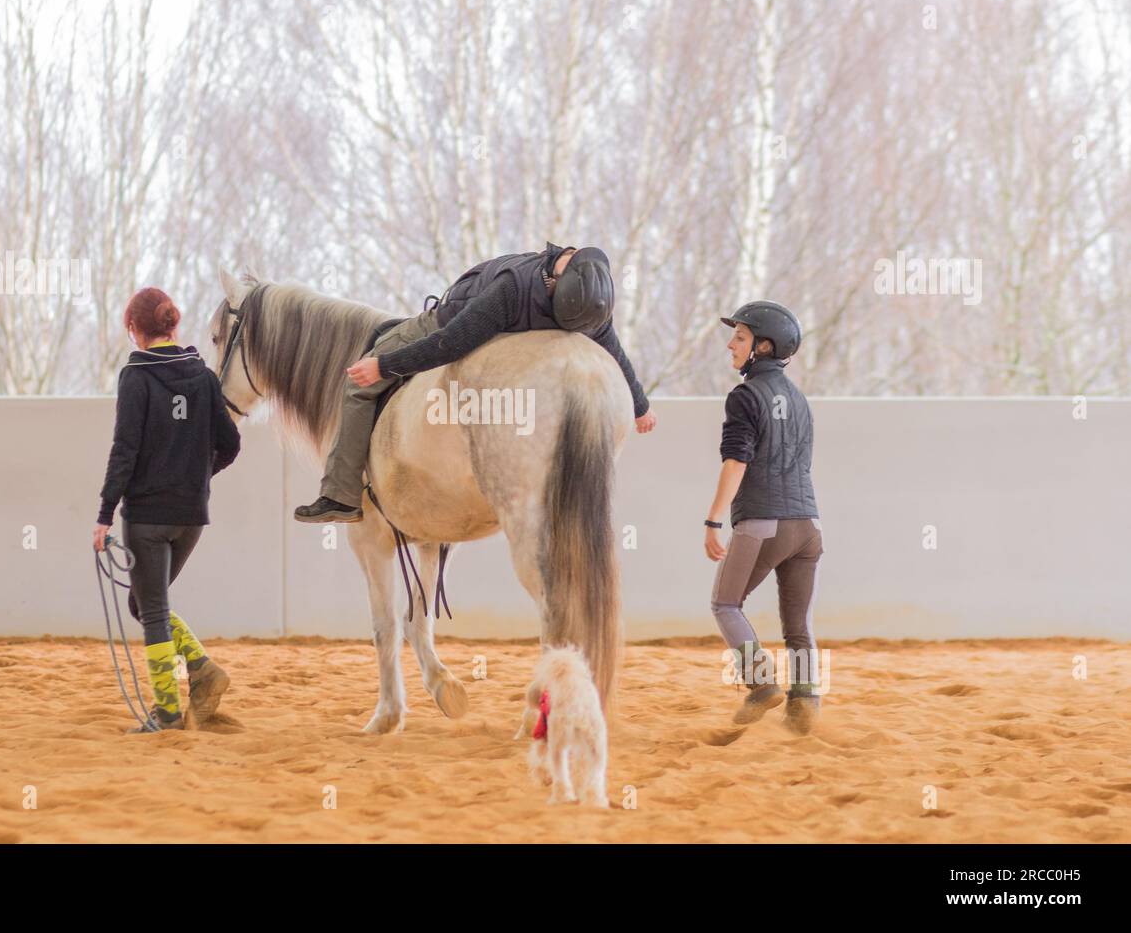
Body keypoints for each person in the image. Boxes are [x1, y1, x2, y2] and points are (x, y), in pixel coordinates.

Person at [294, 242, 657, 523]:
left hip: (461, 325)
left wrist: (639, 406)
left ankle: (341, 498)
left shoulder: (590, 301)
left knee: (359, 383)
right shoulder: (511, 290)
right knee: (370, 372)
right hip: (452, 321)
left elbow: (612, 348)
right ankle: (342, 491)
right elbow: (451, 343)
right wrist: (385, 365)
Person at [92, 287, 242, 732]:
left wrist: (104, 515)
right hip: (191, 516)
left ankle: (167, 711)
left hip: (147, 517)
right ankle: (201, 669)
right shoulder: (204, 378)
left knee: (151, 609)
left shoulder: (135, 378)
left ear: (135, 329)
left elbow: (125, 451)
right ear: (173, 325)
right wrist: (196, 478)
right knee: (145, 602)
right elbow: (231, 445)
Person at [703, 301, 823, 735]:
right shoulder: (799, 398)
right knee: (798, 625)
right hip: (808, 526)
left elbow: (736, 461)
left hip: (762, 522)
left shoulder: (745, 396)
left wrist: (714, 520)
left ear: (763, 346)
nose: (730, 344)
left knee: (725, 604)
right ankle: (806, 699)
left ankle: (761, 684)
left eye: (740, 337)